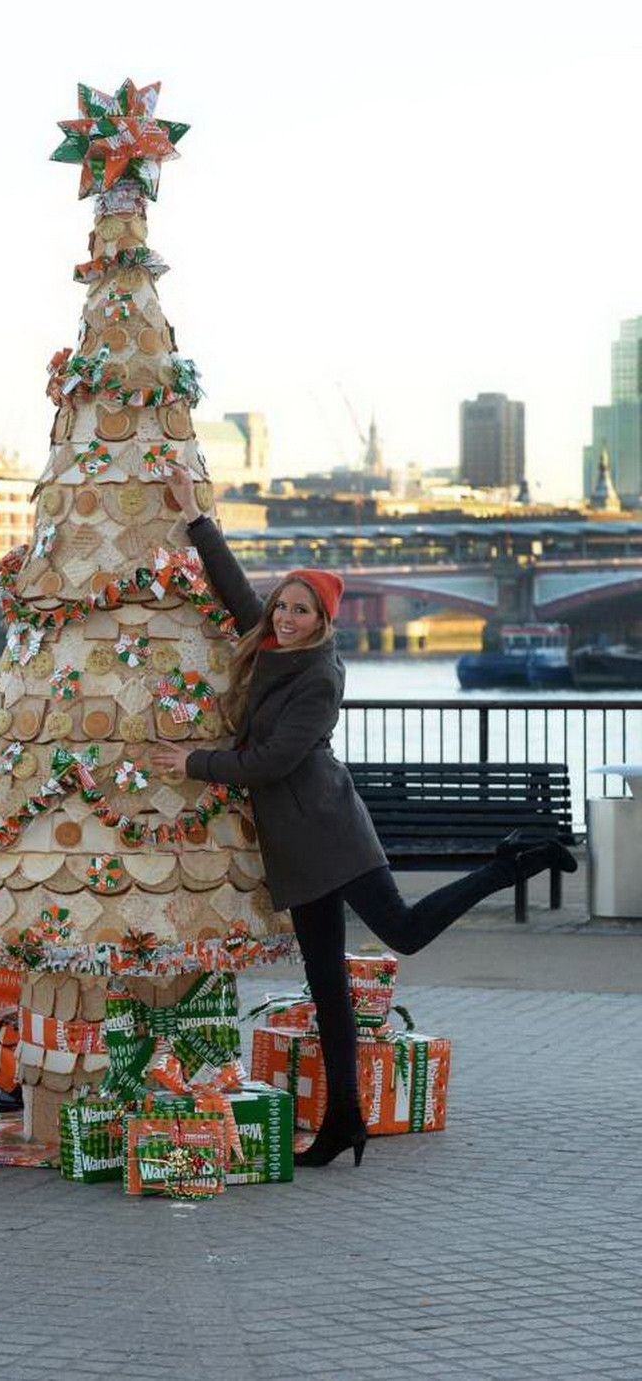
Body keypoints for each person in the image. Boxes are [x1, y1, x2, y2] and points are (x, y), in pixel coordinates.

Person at [150, 465, 576, 1170]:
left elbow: (272, 763)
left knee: (402, 932)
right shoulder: (270, 645)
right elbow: (232, 590)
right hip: (294, 844)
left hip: (328, 828)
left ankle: (510, 863)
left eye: (300, 611)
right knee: (327, 989)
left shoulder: (318, 677)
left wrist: (190, 763)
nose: (284, 618)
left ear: (322, 622)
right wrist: (197, 521)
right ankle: (344, 1119)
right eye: (282, 606)